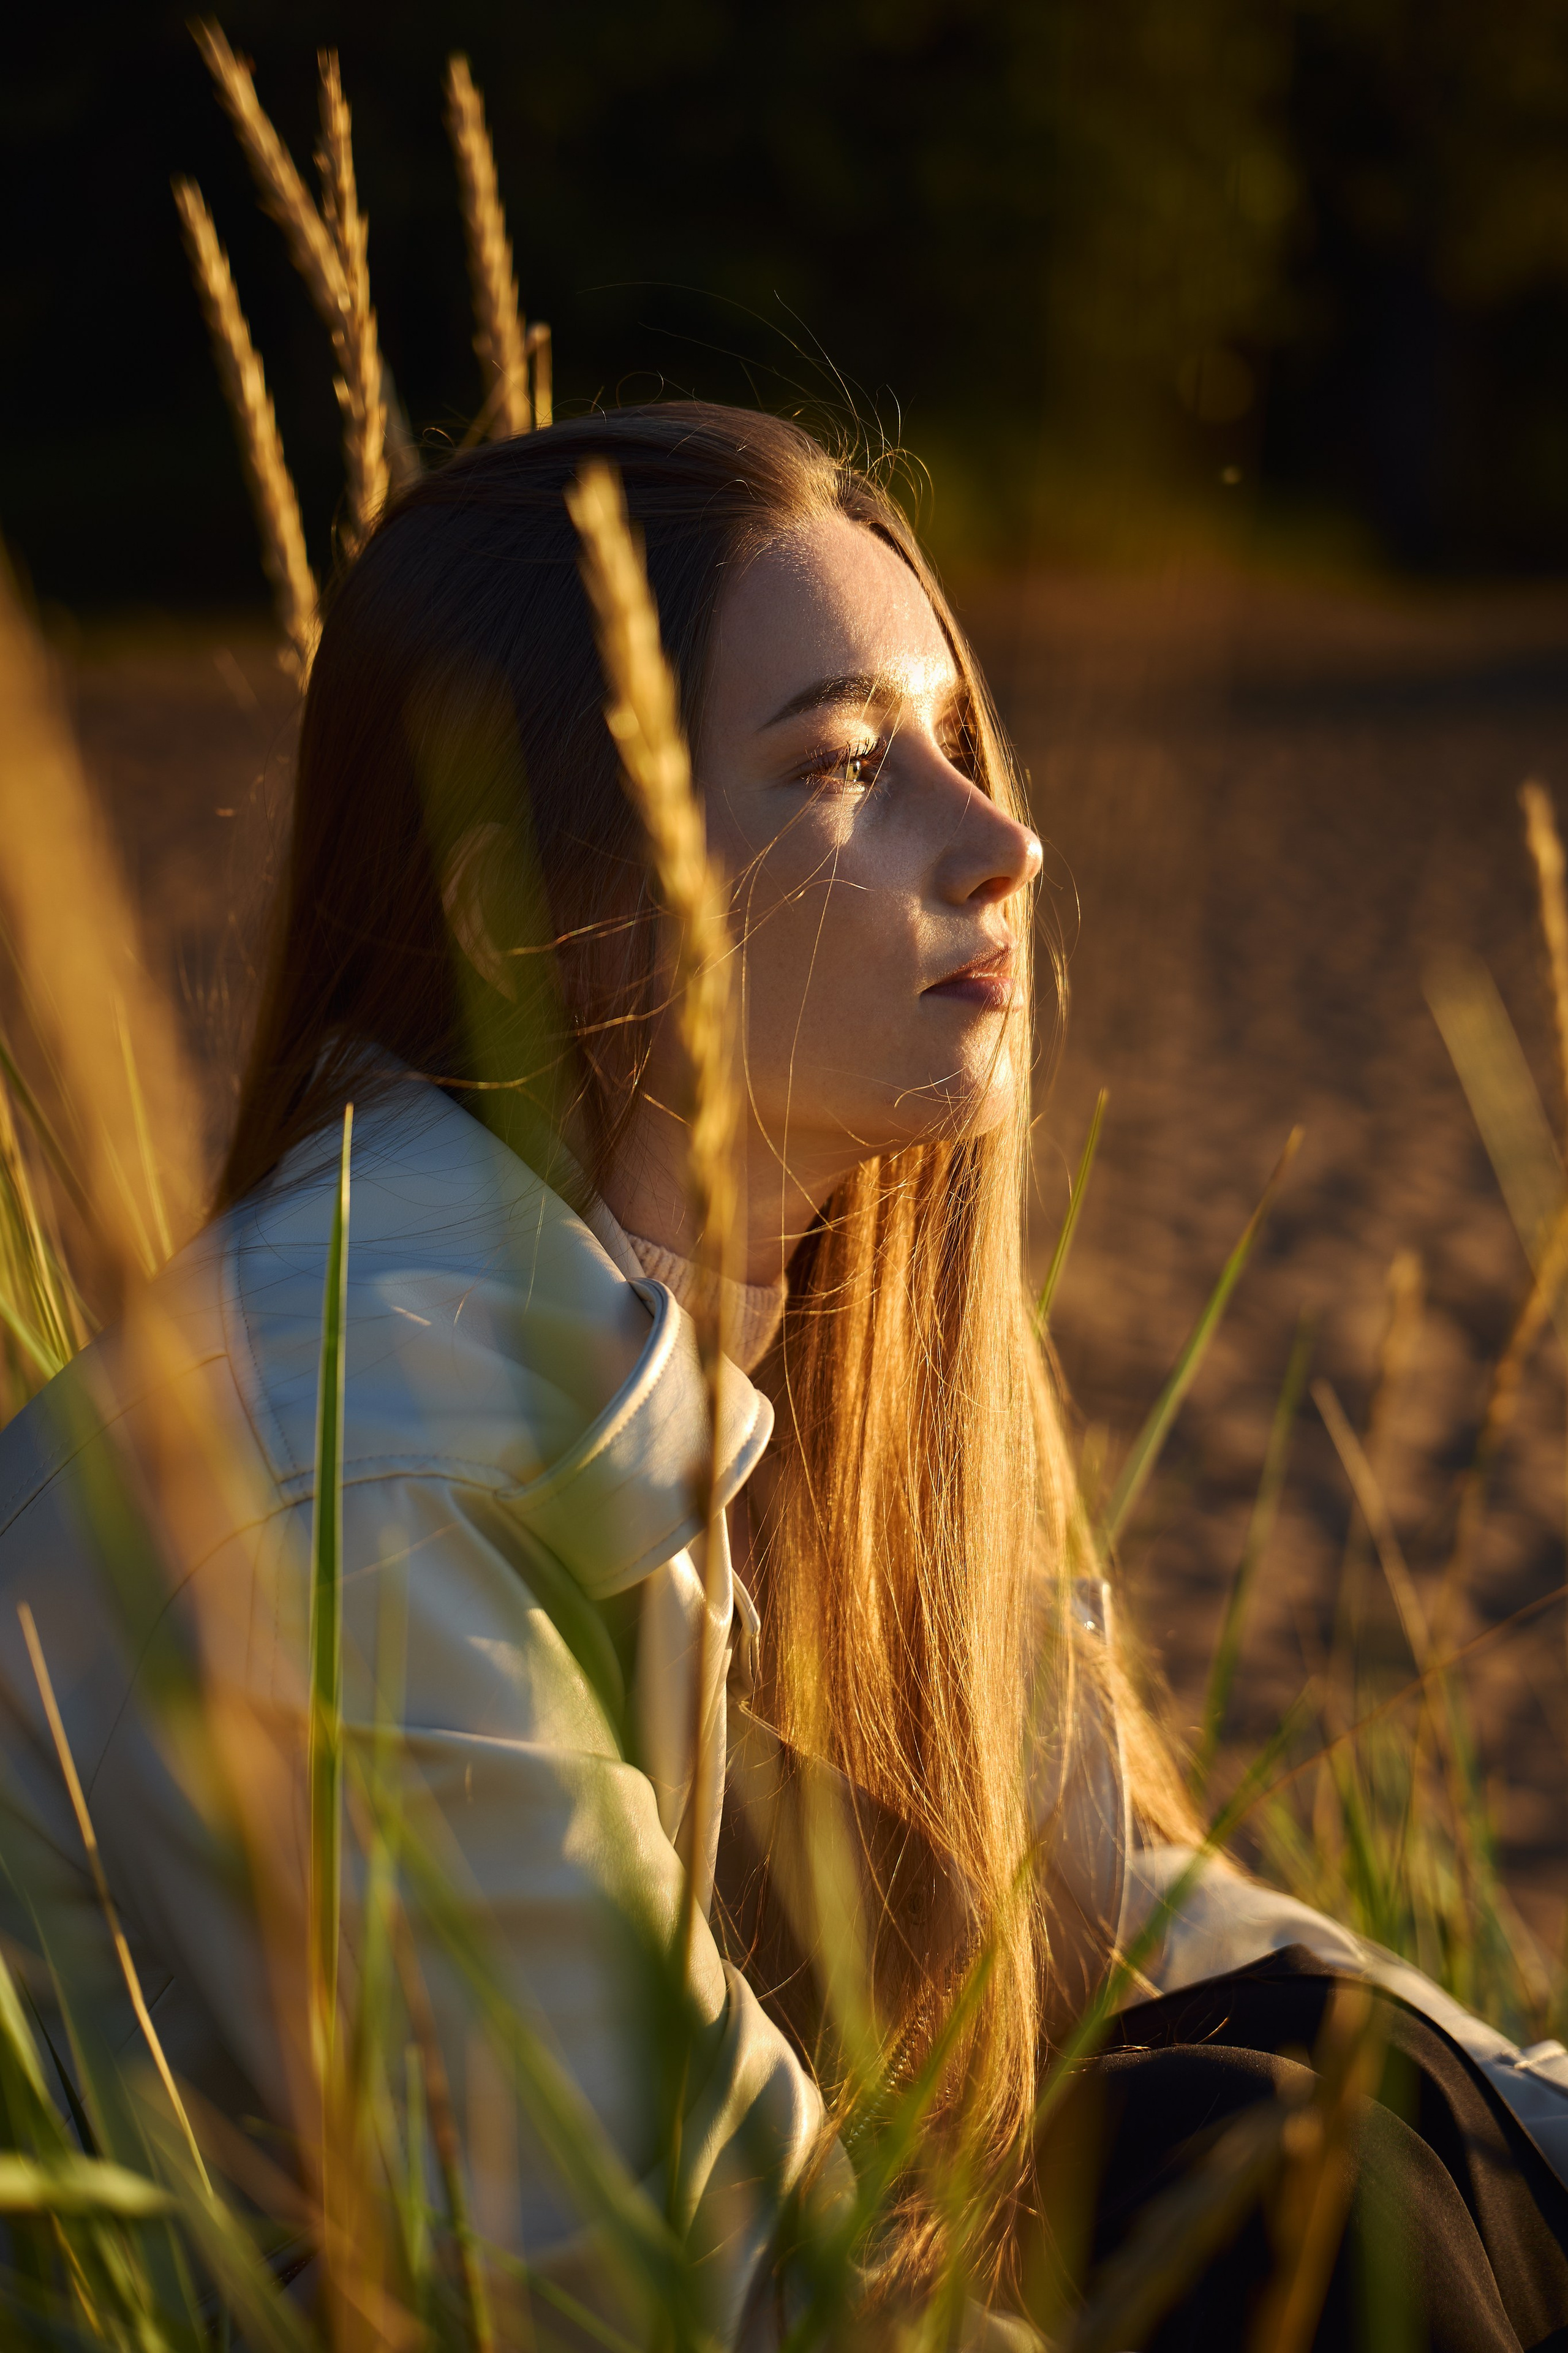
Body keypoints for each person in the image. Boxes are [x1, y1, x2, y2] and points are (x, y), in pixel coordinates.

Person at [0, 404, 1562, 2349]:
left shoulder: (748, 1363)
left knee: (1313, 2086)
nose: (1003, 841)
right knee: (1281, 2192)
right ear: (526, 898)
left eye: (957, 746)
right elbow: (690, 2294)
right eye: (842, 760)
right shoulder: (354, 1464)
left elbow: (1114, 1903)